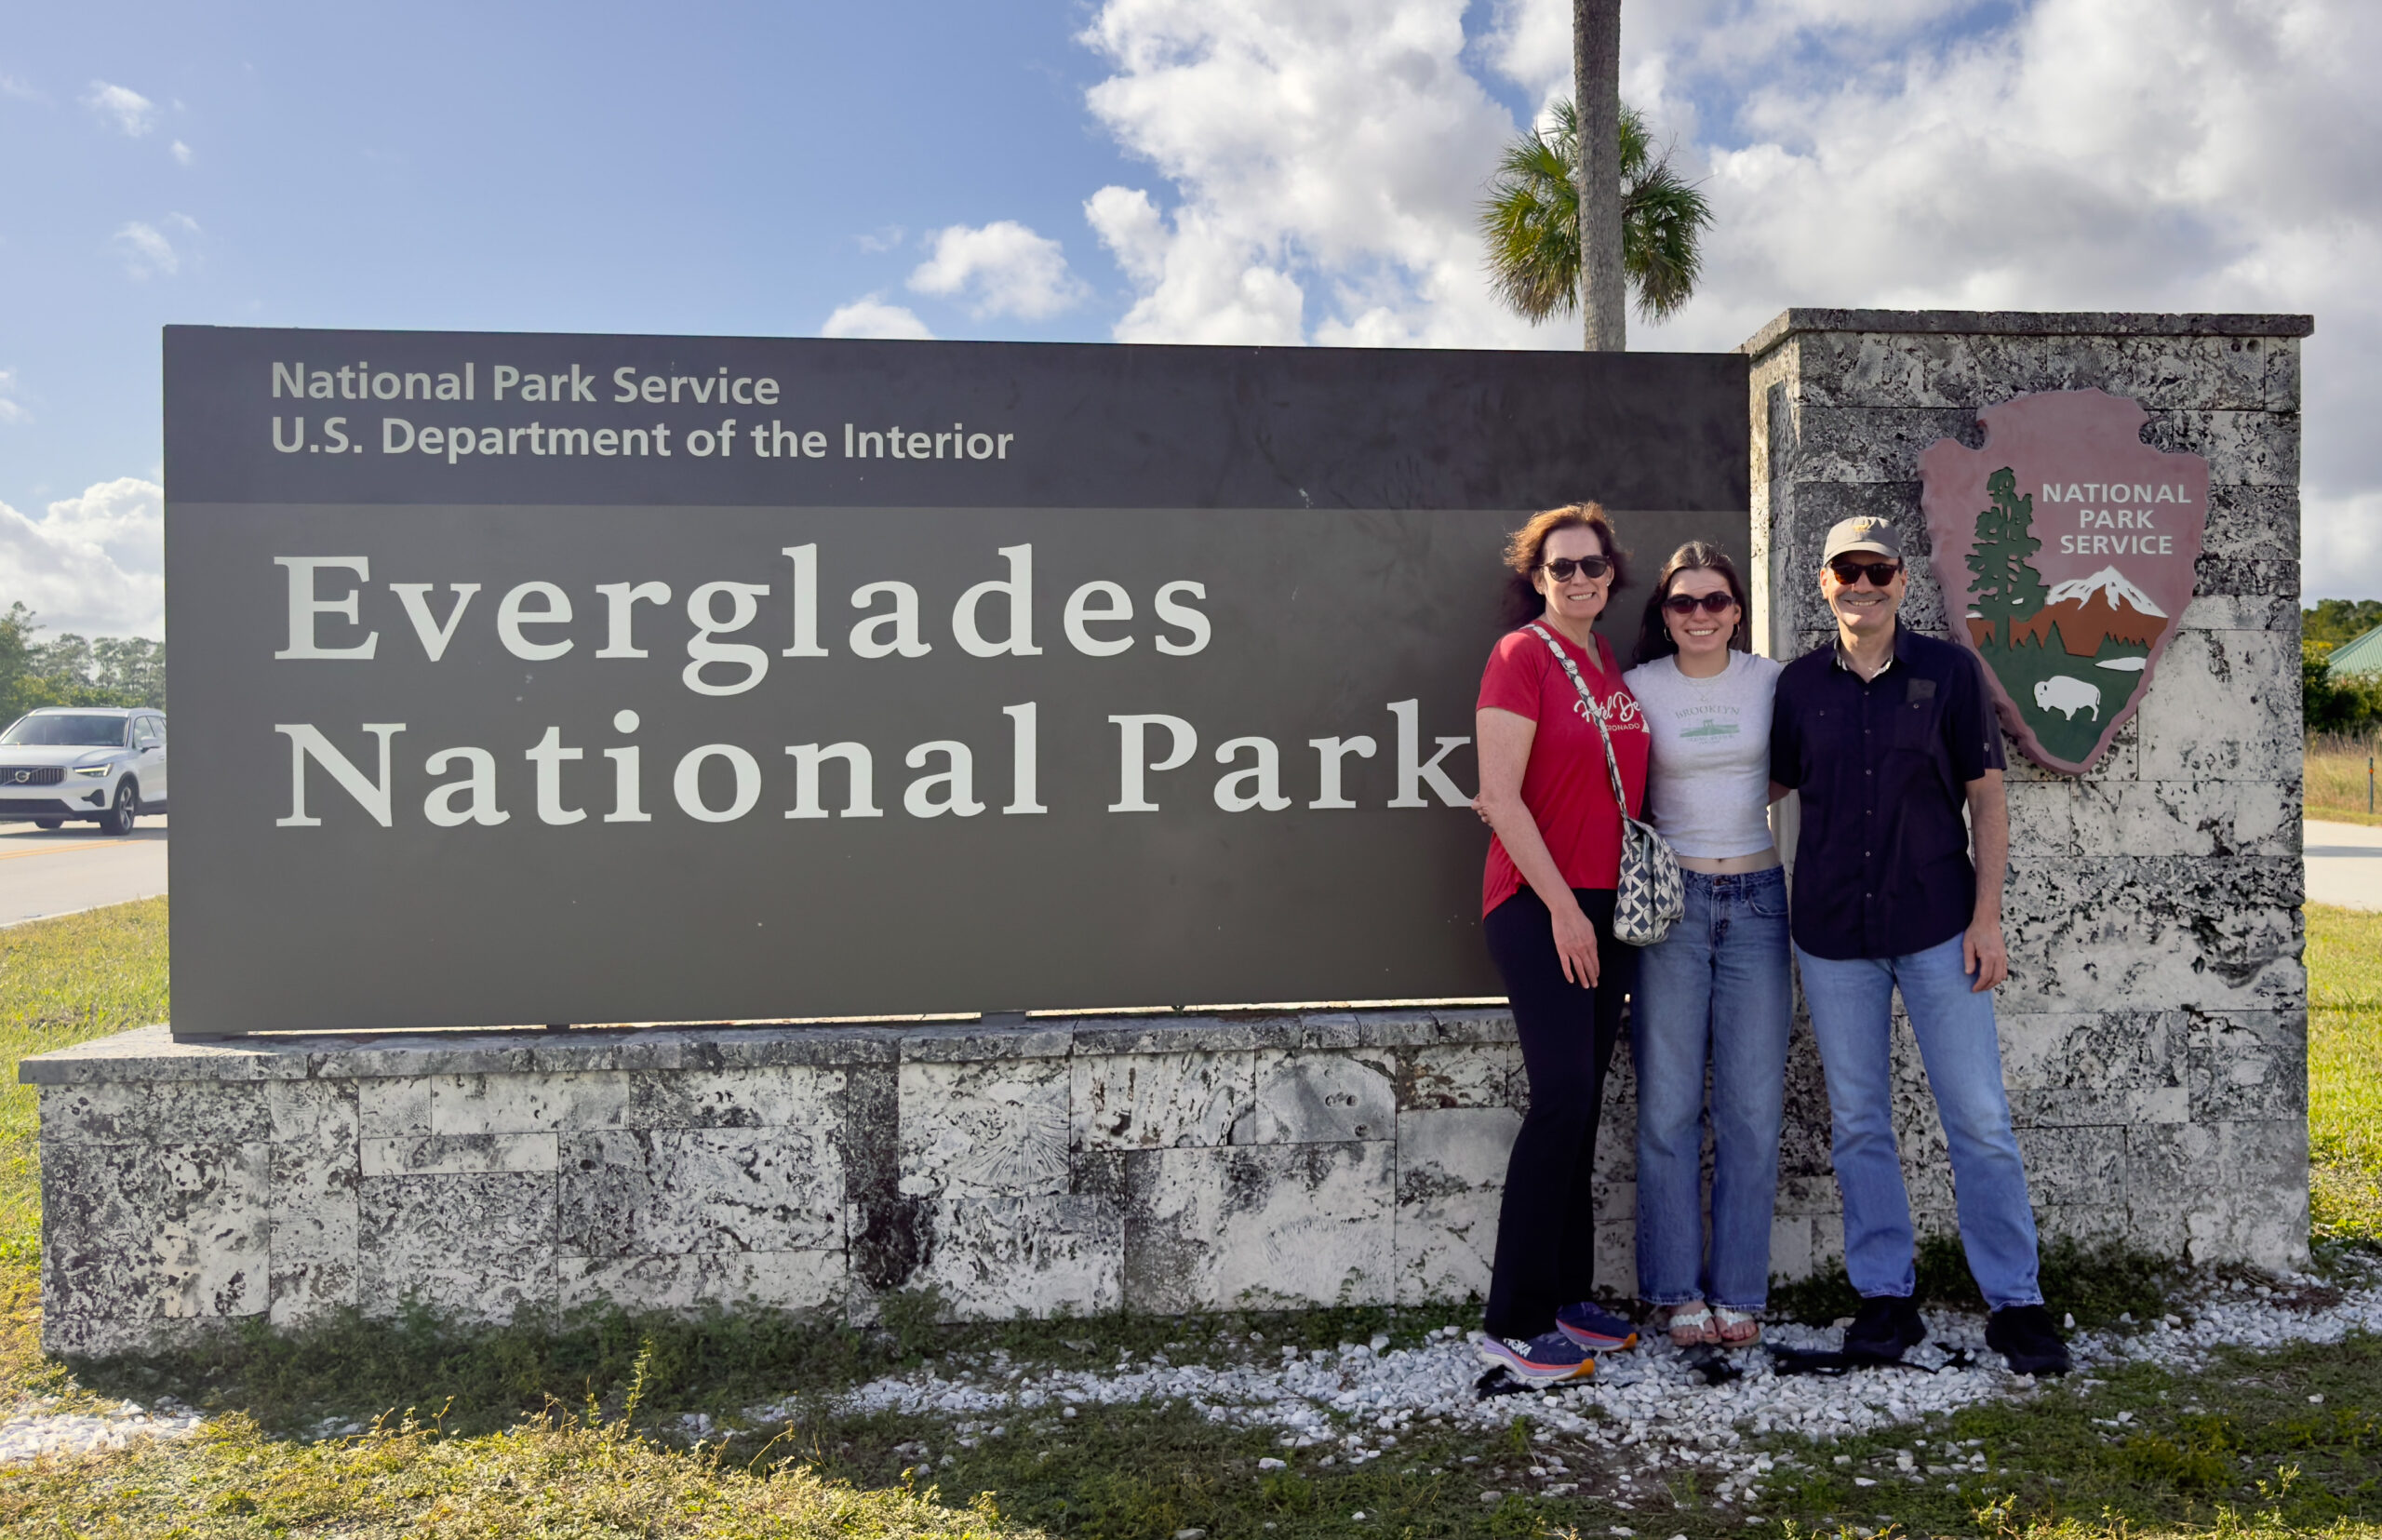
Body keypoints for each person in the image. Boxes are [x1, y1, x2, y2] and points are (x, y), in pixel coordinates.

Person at [1767, 516, 2071, 1377]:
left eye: (1879, 570)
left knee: (1977, 1118)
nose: (1862, 585)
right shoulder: (1796, 688)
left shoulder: (1950, 673)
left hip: (1940, 927)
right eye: (1846, 572)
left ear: (1903, 580)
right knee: (1860, 1121)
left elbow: (1989, 800)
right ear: (1823, 583)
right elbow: (1761, 784)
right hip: (1832, 935)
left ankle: (2017, 1304)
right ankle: (1885, 1300)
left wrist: (1988, 917)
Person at [1471, 502, 1649, 1384]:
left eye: (1591, 565)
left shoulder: (1603, 661)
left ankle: (1570, 1298)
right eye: (1560, 567)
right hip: (1541, 905)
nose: (1578, 578)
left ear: (1611, 576)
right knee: (1561, 1096)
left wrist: (1597, 907)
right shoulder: (1521, 657)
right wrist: (1564, 910)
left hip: (1610, 905)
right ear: (1537, 578)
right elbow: (1500, 799)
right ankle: (1511, 1319)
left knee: (1583, 1104)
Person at [1621, 543, 1788, 1348]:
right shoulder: (1639, 688)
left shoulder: (1770, 681)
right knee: (1669, 1105)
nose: (1699, 615)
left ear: (1737, 610)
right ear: (1663, 613)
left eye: (1714, 601)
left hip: (1759, 900)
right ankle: (1676, 1287)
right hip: (1673, 905)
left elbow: (1789, 769)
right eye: (1683, 603)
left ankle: (1740, 1290)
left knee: (1753, 1108)